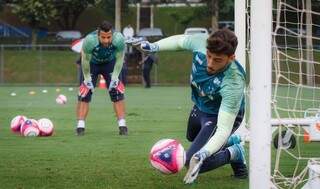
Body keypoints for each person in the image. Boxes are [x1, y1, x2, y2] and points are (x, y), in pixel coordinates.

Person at [132, 28, 247, 183]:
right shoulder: (201, 42)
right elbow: (179, 41)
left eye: (218, 60)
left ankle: (234, 153)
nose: (210, 64)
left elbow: (223, 129)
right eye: (209, 56)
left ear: (231, 58)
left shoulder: (233, 82)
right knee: (191, 136)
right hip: (200, 105)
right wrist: (154, 46)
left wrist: (203, 153)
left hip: (219, 115)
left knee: (192, 160)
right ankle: (230, 141)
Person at [76, 20, 128, 136]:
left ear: (112, 35)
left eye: (108, 37)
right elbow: (85, 61)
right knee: (85, 93)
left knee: (117, 92)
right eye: (103, 37)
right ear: (98, 35)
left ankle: (122, 125)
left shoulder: (119, 39)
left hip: (110, 63)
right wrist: (87, 79)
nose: (106, 41)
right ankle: (80, 126)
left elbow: (120, 59)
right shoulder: (90, 40)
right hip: (92, 64)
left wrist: (115, 78)